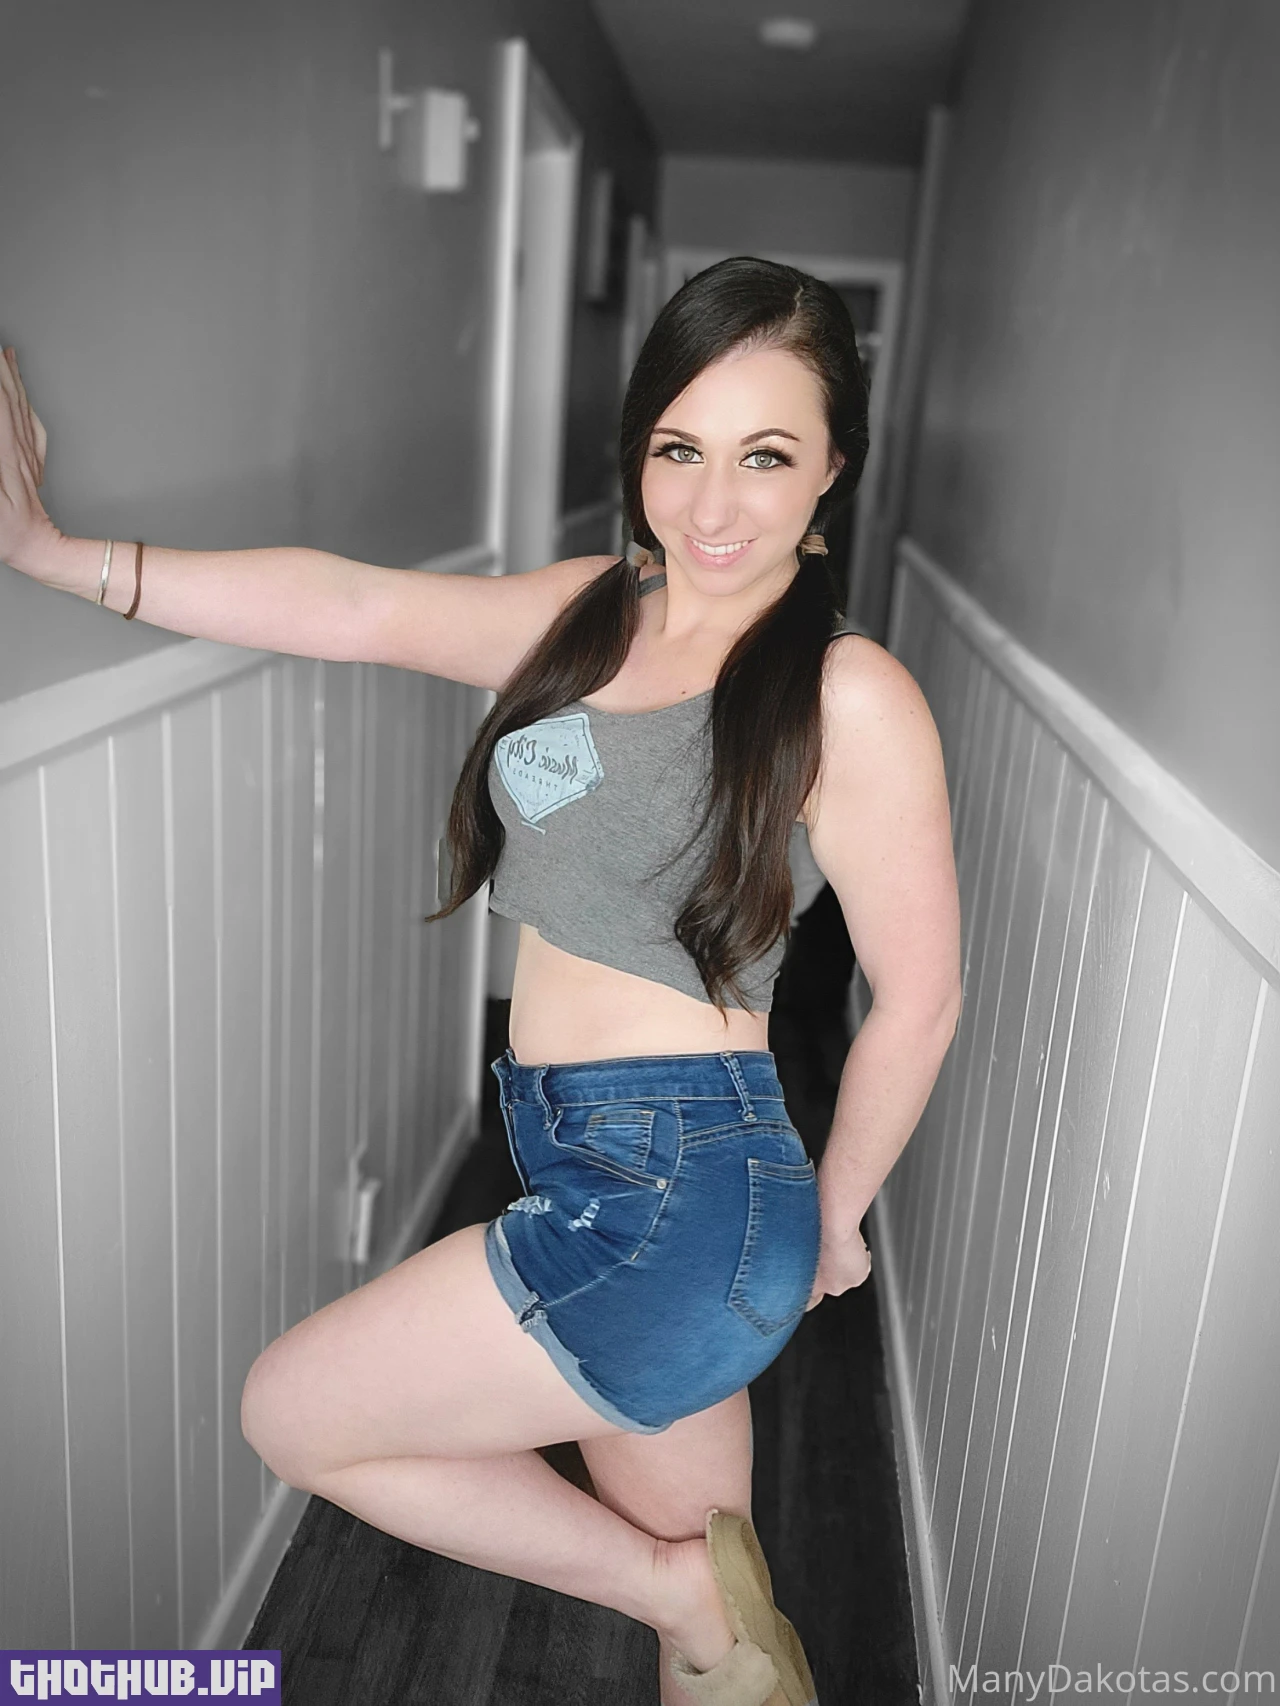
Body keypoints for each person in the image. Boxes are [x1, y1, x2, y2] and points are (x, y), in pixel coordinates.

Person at [0, 256, 961, 1706]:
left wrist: (834, 1216)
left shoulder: (849, 696)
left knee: (296, 1411)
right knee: (725, 1647)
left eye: (767, 456)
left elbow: (920, 993)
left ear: (835, 467)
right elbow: (354, 607)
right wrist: (56, 554)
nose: (713, 503)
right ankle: (687, 1606)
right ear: (639, 450)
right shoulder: (591, 613)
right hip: (599, 1160)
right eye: (679, 449)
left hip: (684, 1188)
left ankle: (668, 1591)